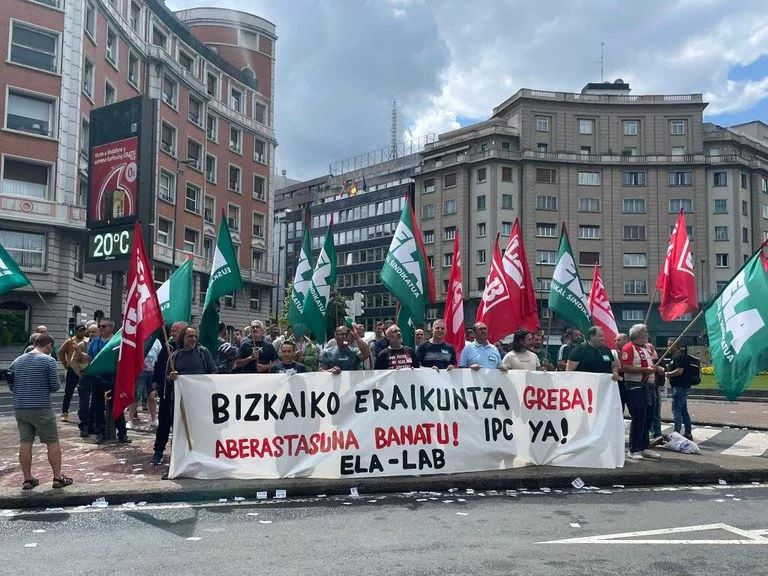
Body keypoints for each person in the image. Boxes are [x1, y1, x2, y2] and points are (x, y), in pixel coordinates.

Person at [9, 334, 73, 490]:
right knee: (52, 441)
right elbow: (55, 386)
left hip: (20, 407)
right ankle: (58, 477)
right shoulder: (49, 360)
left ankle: (28, 479)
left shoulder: (17, 361)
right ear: (49, 346)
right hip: (41, 407)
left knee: (25, 442)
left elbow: (11, 385)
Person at [621, 324, 664, 461]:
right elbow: (625, 367)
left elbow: (649, 366)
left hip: (648, 387)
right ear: (639, 334)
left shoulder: (646, 348)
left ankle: (644, 447)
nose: (647, 334)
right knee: (639, 417)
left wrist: (657, 369)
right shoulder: (628, 347)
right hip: (635, 387)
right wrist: (646, 371)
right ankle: (633, 449)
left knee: (649, 417)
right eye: (645, 332)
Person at [88, 318, 131, 445]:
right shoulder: (95, 342)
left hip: (113, 377)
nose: (100, 328)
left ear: (111, 328)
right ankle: (100, 433)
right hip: (97, 377)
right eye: (99, 326)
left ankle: (122, 433)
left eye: (103, 326)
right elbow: (90, 358)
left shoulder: (117, 342)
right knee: (97, 406)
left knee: (116, 405)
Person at [151, 322, 187, 465]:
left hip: (186, 395)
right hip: (168, 392)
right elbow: (159, 368)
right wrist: (154, 386)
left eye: (175, 331)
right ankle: (158, 451)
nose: (172, 333)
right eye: (171, 331)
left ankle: (181, 453)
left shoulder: (196, 350)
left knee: (182, 425)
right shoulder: (168, 347)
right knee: (164, 423)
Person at [57, 324, 89, 422]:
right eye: (80, 330)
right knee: (68, 392)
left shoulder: (87, 340)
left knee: (84, 392)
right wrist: (65, 364)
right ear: (76, 331)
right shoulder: (70, 341)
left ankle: (83, 411)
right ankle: (65, 412)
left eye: (83, 330)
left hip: (84, 369)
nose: (82, 332)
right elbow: (61, 352)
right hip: (72, 369)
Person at [126, 338, 161, 428]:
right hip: (139, 372)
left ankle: (153, 419)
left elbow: (160, 355)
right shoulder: (137, 339)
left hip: (153, 372)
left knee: (152, 397)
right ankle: (130, 420)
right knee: (135, 396)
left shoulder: (156, 341)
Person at [665, 338, 693, 440]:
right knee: (683, 410)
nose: (667, 347)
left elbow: (679, 371)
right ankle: (688, 432)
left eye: (669, 345)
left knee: (676, 410)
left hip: (680, 387)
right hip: (680, 387)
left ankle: (676, 433)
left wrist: (667, 374)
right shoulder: (675, 356)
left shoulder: (679, 357)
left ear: (675, 346)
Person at [615, 333, 629, 414]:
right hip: (618, 386)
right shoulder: (613, 353)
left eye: (619, 340)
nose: (616, 342)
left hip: (631, 384)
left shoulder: (631, 351)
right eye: (615, 340)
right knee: (619, 409)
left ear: (626, 340)